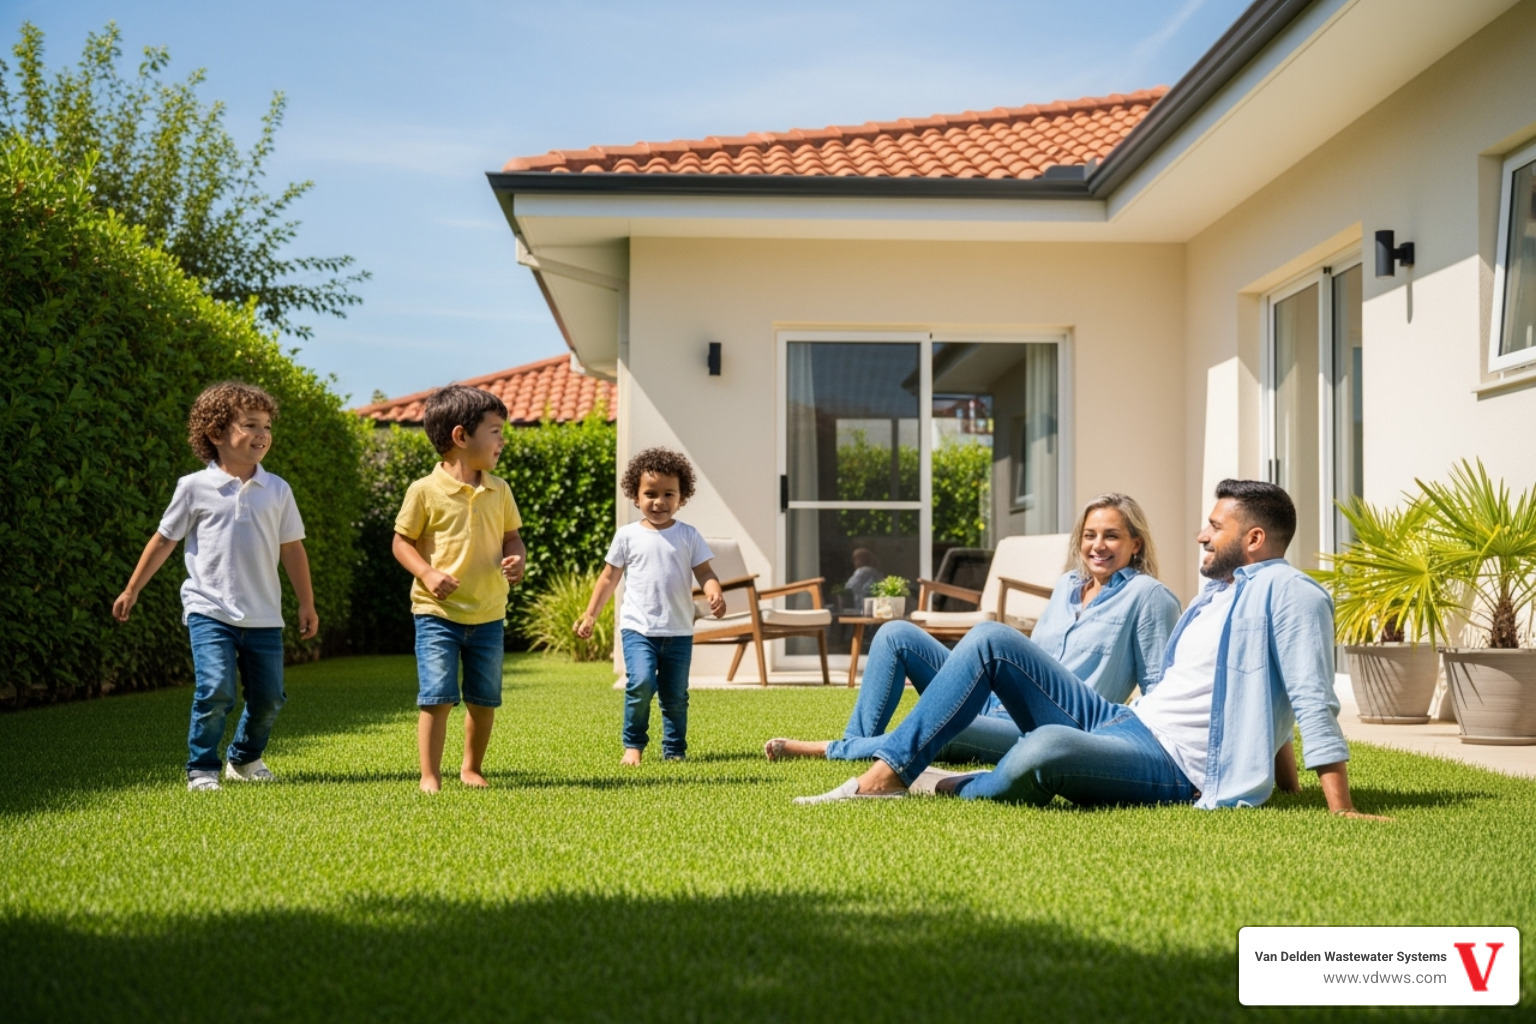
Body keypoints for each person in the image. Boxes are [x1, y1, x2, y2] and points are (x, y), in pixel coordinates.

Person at [794, 480, 1384, 819]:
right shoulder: (1219, 596)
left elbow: (1308, 695)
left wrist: (1340, 807)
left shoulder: (1292, 594)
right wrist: (1286, 783)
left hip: (1175, 766)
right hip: (1123, 723)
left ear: (1253, 539)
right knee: (992, 639)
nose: (1202, 534)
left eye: (1215, 527)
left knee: (1045, 747)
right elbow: (1250, 698)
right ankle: (886, 775)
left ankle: (939, 782)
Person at [765, 493, 1180, 768]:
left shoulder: (1149, 597)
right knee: (895, 635)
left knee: (946, 726)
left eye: (1112, 536)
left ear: (1136, 544)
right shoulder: (1068, 586)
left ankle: (830, 751)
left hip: (1041, 726)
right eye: (1090, 535)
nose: (1097, 546)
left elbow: (1160, 689)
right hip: (994, 697)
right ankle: (859, 744)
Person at [113, 381, 318, 792]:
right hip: (209, 609)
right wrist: (132, 588)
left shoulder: (277, 489)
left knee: (270, 697)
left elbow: (292, 549)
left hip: (264, 614)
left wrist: (306, 603)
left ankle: (244, 759)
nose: (263, 434)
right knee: (215, 689)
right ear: (216, 434)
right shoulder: (193, 488)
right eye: (251, 425)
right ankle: (201, 768)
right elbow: (164, 540)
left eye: (267, 425)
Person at [392, 385, 526, 793]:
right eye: (496, 431)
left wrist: (517, 558)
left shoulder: (499, 489)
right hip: (437, 614)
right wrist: (428, 575)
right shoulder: (424, 491)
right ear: (460, 437)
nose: (503, 440)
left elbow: (512, 537)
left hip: (488, 613)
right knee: (437, 696)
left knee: (484, 701)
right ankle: (430, 776)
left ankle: (470, 768)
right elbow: (401, 543)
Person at [577, 448, 726, 765]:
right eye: (650, 494)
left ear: (681, 498)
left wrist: (714, 592)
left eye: (668, 494)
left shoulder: (688, 535)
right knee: (641, 683)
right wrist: (591, 614)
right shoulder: (627, 536)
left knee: (675, 696)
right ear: (635, 496)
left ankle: (674, 750)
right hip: (638, 629)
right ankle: (633, 745)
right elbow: (608, 578)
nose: (659, 501)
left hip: (679, 631)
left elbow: (705, 572)